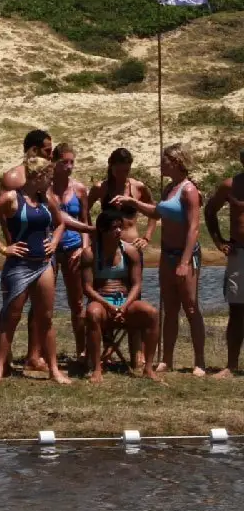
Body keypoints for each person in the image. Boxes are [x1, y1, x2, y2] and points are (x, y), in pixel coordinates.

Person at [0, 156, 72, 385]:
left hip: (43, 263)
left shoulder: (47, 199)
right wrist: (3, 248)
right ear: (37, 176)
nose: (51, 181)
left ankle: (54, 370)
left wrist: (55, 241)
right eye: (48, 176)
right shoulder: (11, 198)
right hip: (18, 265)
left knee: (45, 318)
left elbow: (61, 223)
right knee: (11, 317)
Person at [122, 144, 205, 375]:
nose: (161, 163)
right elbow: (157, 212)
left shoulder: (188, 191)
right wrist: (133, 203)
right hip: (166, 255)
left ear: (177, 161)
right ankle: (166, 359)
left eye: (165, 160)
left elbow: (194, 228)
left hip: (183, 256)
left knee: (190, 307)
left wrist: (185, 262)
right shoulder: (170, 187)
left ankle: (199, 362)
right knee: (169, 308)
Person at [86, 147, 157, 367]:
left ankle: (137, 352)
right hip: (105, 250)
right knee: (104, 292)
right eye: (119, 170)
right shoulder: (101, 188)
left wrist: (147, 236)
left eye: (126, 170)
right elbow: (84, 212)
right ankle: (105, 349)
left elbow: (154, 211)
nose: (123, 174)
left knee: (132, 296)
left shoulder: (137, 187)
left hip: (131, 248)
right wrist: (89, 240)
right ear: (111, 166)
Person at [80, 210, 160, 382]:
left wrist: (124, 306)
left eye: (119, 227)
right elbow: (87, 287)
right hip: (101, 302)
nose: (118, 231)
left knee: (151, 313)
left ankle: (148, 369)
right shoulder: (90, 253)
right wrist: (108, 306)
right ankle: (96, 369)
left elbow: (137, 284)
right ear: (102, 230)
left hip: (125, 301)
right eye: (113, 228)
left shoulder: (130, 251)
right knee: (93, 313)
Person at [0, 130, 54, 369]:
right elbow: (2, 216)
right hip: (20, 254)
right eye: (47, 150)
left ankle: (35, 354)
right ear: (33, 149)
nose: (51, 155)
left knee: (43, 309)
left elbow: (56, 215)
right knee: (13, 309)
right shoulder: (13, 179)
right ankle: (4, 361)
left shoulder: (43, 177)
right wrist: (7, 246)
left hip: (43, 251)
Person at [50, 143, 92, 360]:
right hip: (50, 248)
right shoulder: (45, 189)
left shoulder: (80, 189)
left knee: (77, 301)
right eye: (64, 162)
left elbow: (85, 221)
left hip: (74, 246)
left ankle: (81, 349)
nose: (68, 167)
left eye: (71, 162)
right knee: (45, 301)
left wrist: (84, 249)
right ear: (54, 162)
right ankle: (41, 352)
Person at [206, 151, 244, 377]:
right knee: (237, 310)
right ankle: (231, 365)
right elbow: (210, 210)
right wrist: (219, 241)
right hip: (239, 253)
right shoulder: (230, 185)